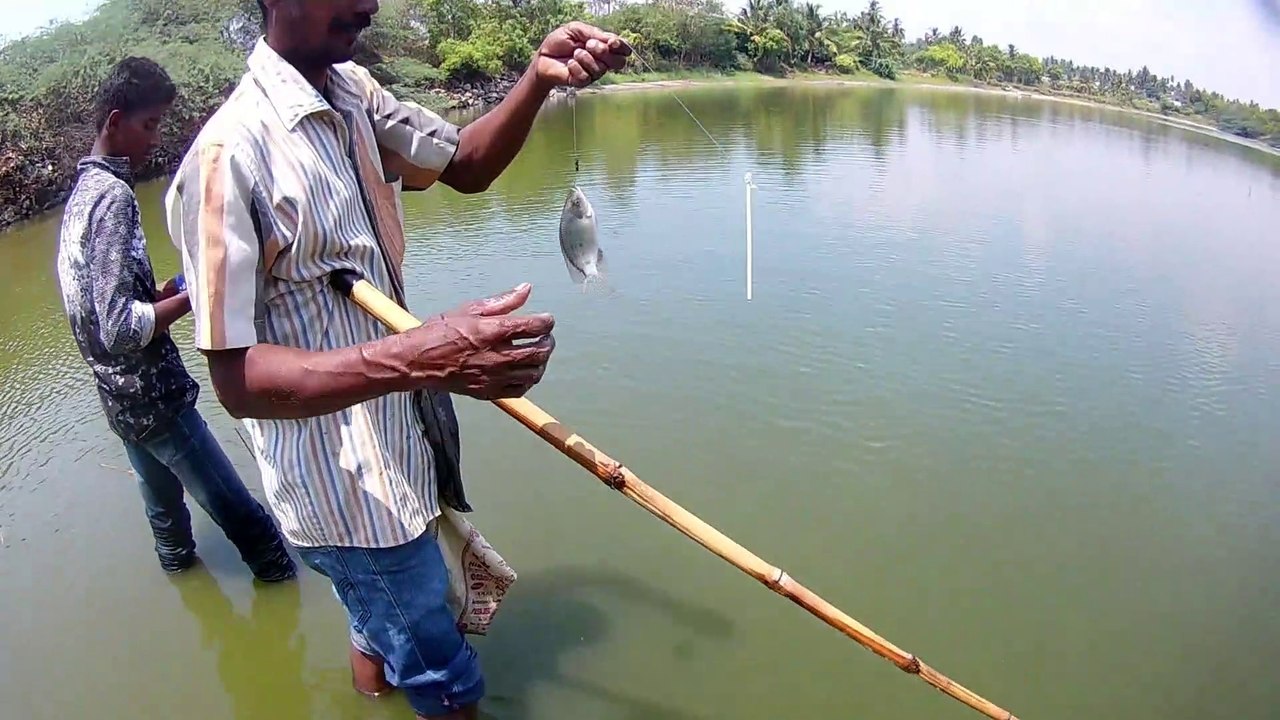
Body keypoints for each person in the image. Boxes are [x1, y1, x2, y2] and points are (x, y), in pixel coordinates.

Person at [163, 1, 628, 718]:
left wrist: (537, 76)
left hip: (403, 438)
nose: (368, 5)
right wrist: (423, 357)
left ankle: (369, 694)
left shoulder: (354, 95)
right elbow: (237, 379)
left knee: (376, 622)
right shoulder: (228, 160)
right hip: (346, 490)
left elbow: (465, 165)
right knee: (448, 681)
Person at [54, 56, 297, 582]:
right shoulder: (114, 198)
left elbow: (95, 308)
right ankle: (280, 590)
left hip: (118, 401)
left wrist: (161, 293)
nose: (155, 138)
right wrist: (197, 295)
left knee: (166, 521)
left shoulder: (81, 197)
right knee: (247, 519)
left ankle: (188, 591)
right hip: (154, 398)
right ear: (115, 123)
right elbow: (120, 328)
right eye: (150, 124)